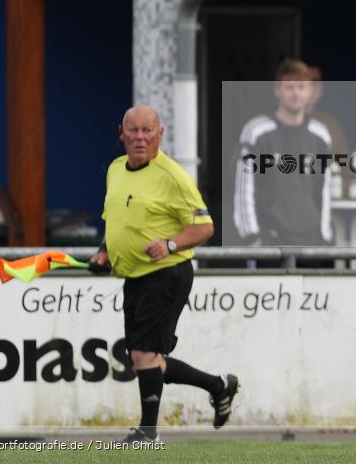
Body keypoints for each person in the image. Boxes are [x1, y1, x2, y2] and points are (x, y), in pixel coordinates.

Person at [89, 105, 238, 444]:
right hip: (134, 274)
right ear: (121, 134)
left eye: (147, 131)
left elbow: (204, 227)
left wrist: (170, 244)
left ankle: (148, 432)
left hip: (168, 272)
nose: (140, 137)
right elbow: (117, 221)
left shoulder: (173, 176)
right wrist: (104, 250)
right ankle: (218, 385)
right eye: (134, 131)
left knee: (143, 353)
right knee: (149, 358)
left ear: (160, 134)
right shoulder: (115, 170)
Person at [233, 59, 333, 258]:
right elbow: (244, 189)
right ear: (278, 91)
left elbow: (323, 190)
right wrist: (252, 236)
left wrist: (324, 235)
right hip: (270, 241)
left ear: (310, 92)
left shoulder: (321, 135)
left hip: (311, 241)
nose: (295, 93)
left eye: (301, 87)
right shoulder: (256, 132)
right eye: (289, 87)